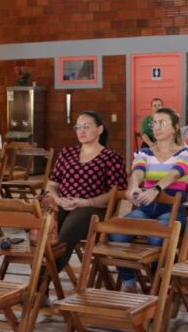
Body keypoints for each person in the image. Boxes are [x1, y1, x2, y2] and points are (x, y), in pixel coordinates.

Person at [113, 108, 188, 292]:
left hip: (173, 210)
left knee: (156, 238)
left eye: (162, 122)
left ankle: (157, 286)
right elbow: (138, 171)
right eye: (154, 123)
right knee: (117, 233)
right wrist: (134, 186)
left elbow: (176, 173)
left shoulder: (186, 152)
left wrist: (156, 189)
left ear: (174, 128)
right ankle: (129, 282)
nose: (156, 127)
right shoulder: (145, 152)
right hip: (147, 208)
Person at [43, 110, 127, 270]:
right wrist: (58, 200)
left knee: (67, 232)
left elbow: (116, 193)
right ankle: (40, 284)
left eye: (87, 126)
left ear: (99, 129)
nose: (81, 131)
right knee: (44, 229)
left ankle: (41, 283)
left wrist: (86, 202)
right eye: (78, 127)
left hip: (93, 209)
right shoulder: (67, 153)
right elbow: (51, 185)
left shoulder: (111, 157)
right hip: (63, 204)